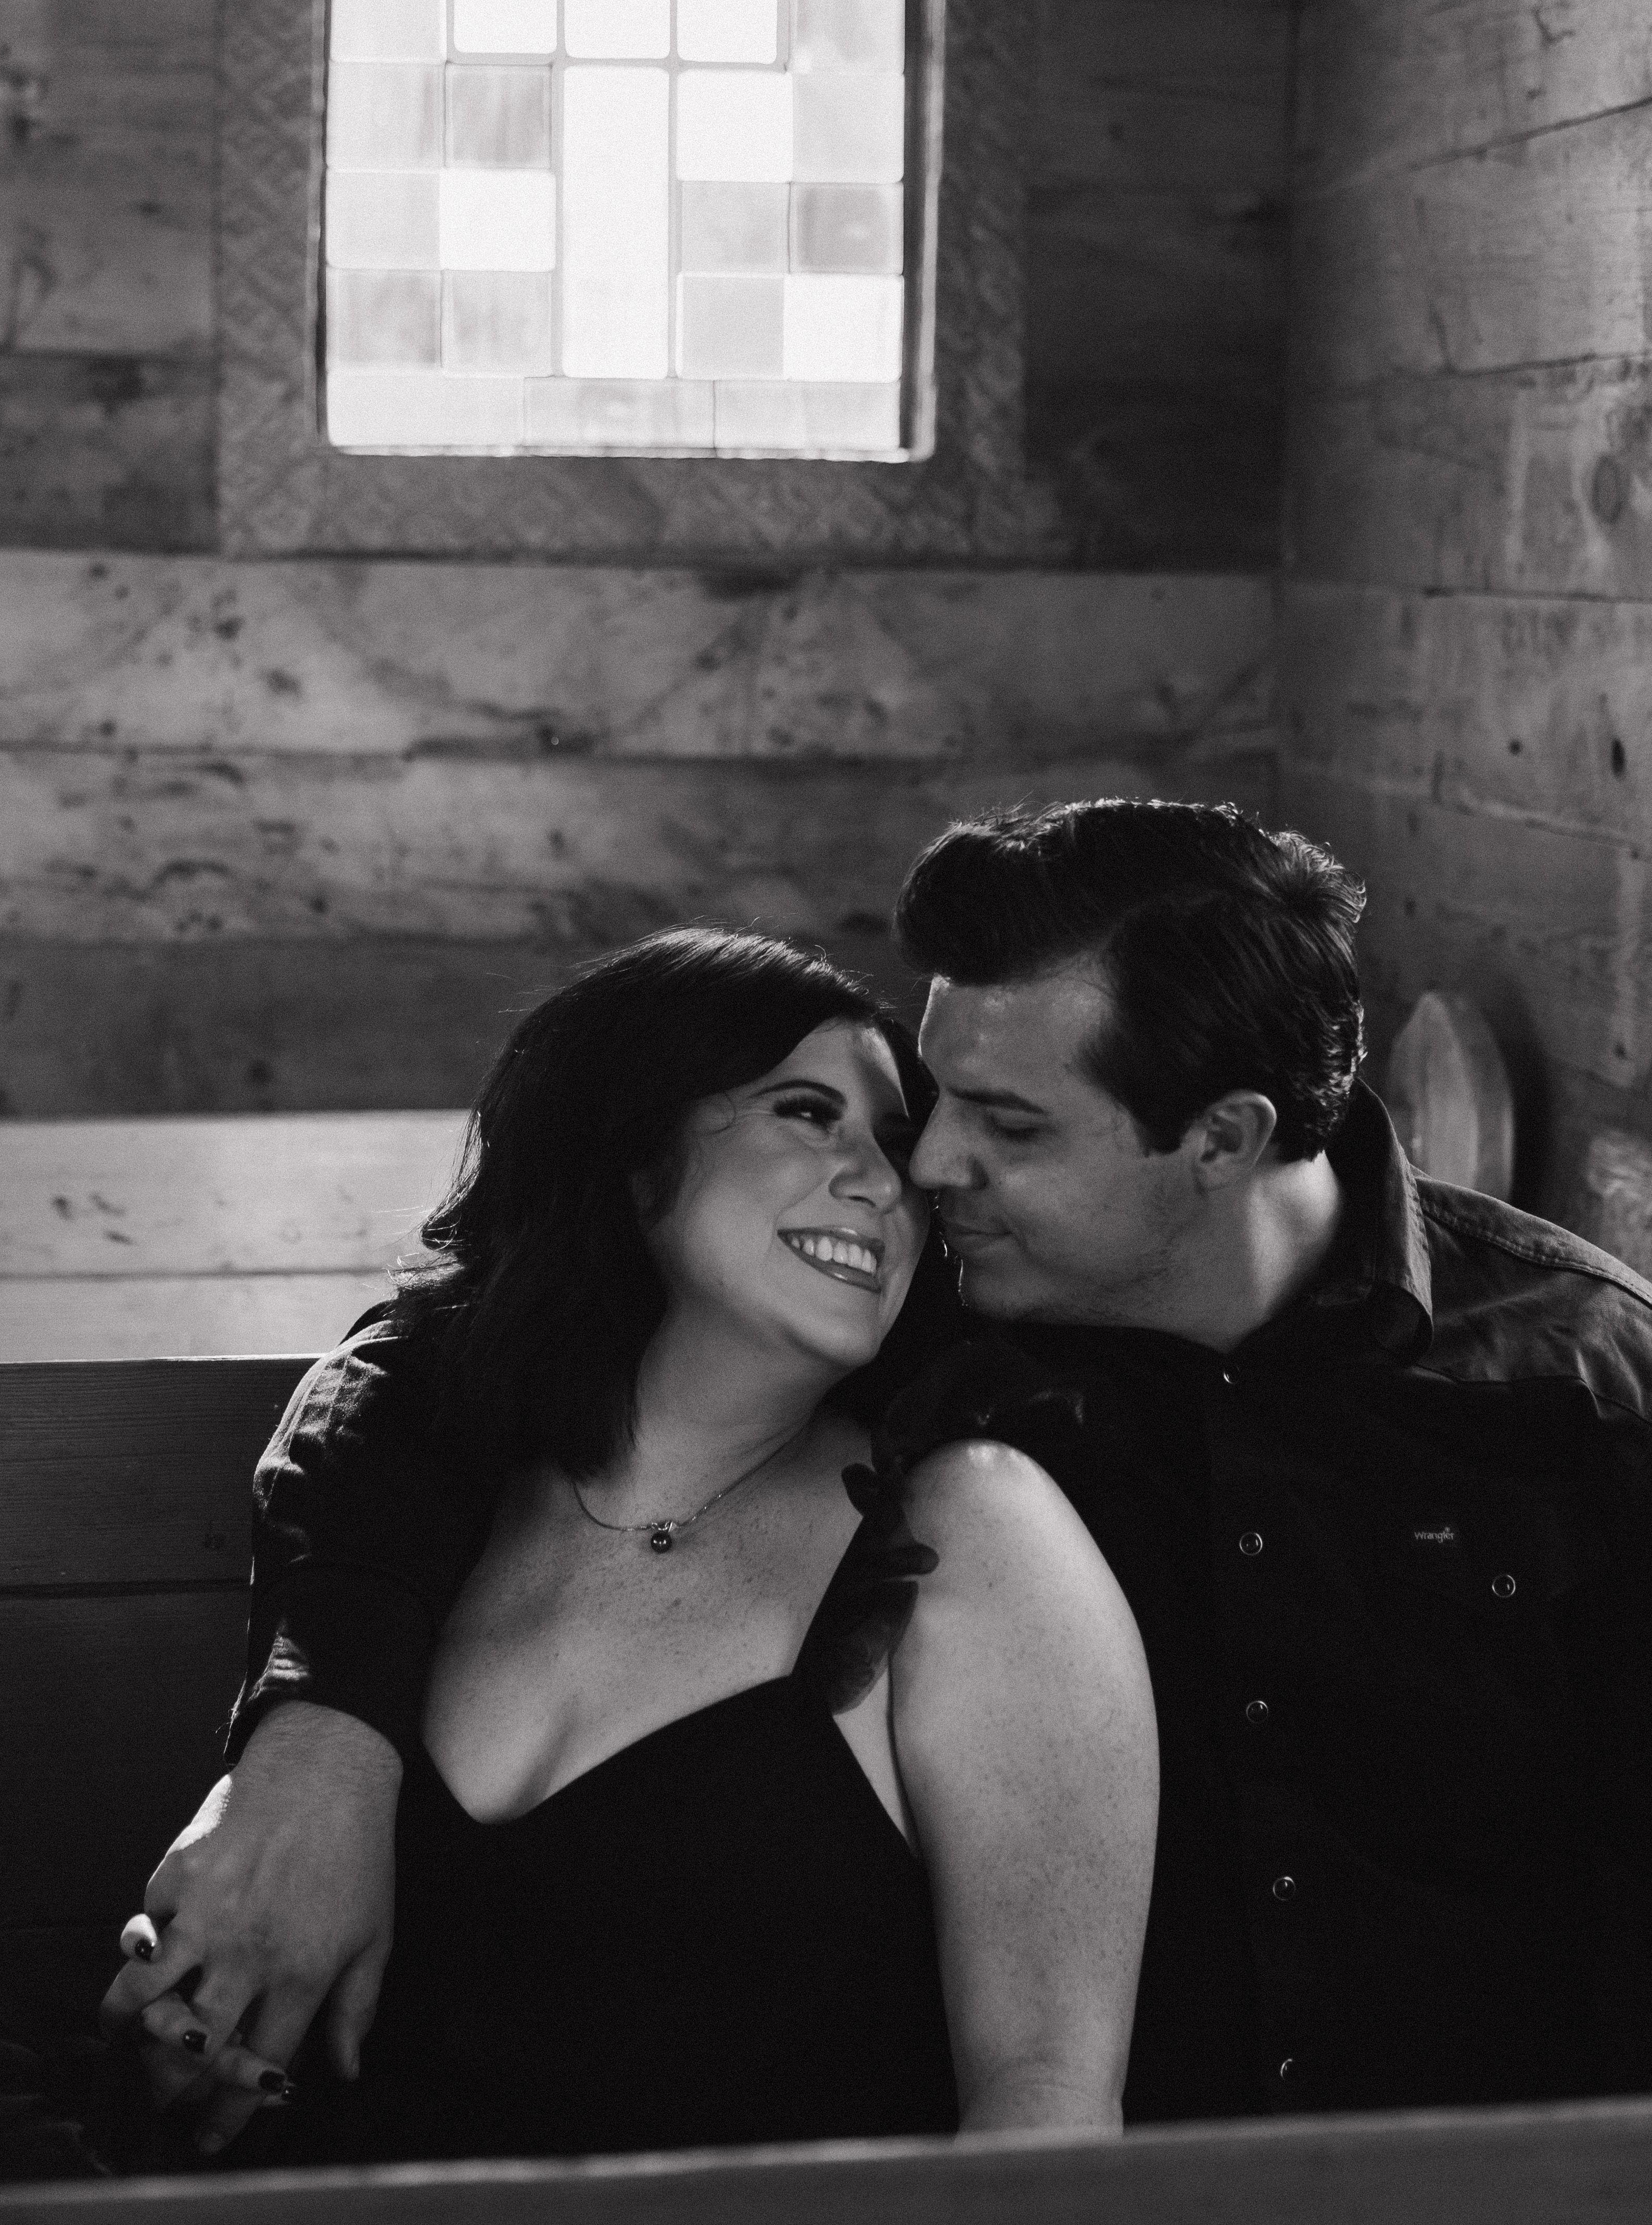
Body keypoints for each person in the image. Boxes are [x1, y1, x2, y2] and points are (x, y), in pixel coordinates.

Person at [108, 800, 1652, 2147]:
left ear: (1224, 1141)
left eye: (1007, 1124)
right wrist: (319, 1744)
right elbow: (422, 1366)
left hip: (1487, 2219)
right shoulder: (943, 1284)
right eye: (932, 1098)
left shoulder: (1597, 1385)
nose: (927, 1165)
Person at [101, 927, 1156, 2163]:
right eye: (808, 1112)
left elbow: (1046, 2103)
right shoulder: (435, 1493)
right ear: (630, 1143)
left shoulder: (972, 1527)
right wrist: (196, 2039)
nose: (885, 1180)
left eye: (893, 1140)